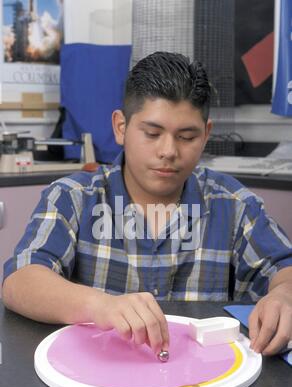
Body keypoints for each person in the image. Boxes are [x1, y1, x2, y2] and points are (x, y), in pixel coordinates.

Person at [2, 52, 292, 358]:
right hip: (101, 384)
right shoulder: (73, 196)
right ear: (121, 127)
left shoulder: (233, 204)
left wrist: (284, 295)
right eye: (152, 134)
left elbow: (283, 266)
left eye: (187, 136)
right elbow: (20, 280)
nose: (168, 151)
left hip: (202, 384)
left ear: (206, 135)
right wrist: (100, 304)